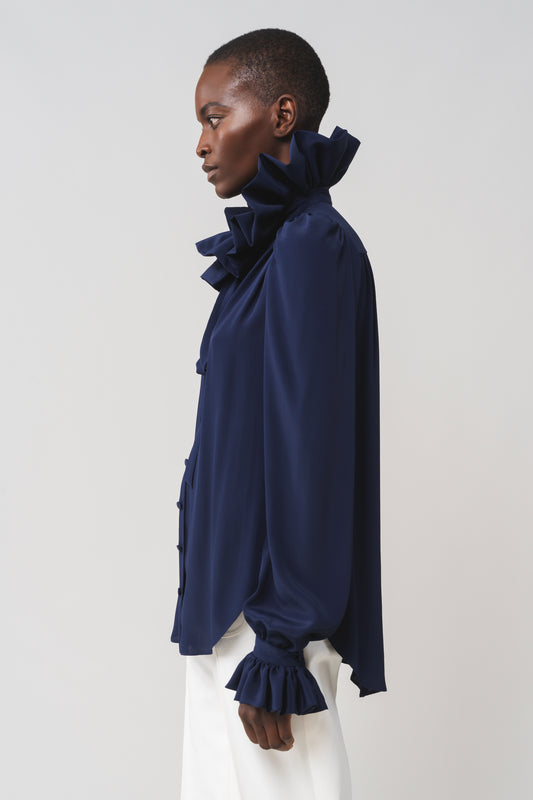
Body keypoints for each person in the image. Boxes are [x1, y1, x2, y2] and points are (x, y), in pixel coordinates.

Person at [170, 27, 387, 800]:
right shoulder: (271, 250)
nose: (201, 143)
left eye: (214, 117)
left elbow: (310, 453)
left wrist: (281, 638)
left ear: (282, 115)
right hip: (227, 619)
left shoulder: (308, 246)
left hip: (267, 636)